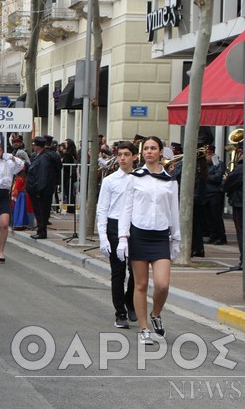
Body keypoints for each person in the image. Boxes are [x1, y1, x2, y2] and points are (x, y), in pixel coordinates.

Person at [117, 136, 180, 345]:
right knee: (141, 284)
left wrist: (176, 239)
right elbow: (126, 209)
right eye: (146, 149)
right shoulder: (134, 178)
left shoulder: (170, 180)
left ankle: (156, 313)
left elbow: (174, 211)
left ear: (161, 152)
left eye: (154, 148)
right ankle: (144, 328)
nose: (149, 152)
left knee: (162, 285)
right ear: (142, 153)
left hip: (160, 236)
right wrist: (122, 238)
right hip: (139, 235)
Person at [96, 141, 138, 329]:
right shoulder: (110, 180)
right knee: (118, 273)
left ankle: (130, 301)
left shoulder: (140, 178)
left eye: (127, 154)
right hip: (114, 227)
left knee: (136, 272)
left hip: (135, 227)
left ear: (134, 157)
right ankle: (120, 312)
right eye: (120, 154)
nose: (122, 158)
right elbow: (102, 209)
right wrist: (103, 236)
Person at [26, 137, 54, 240]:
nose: (33, 147)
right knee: (39, 212)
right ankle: (40, 230)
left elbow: (41, 176)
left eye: (34, 145)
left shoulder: (42, 158)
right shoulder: (39, 156)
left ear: (37, 146)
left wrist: (38, 190)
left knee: (41, 212)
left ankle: (41, 231)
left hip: (39, 191)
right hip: (37, 190)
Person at [204, 146, 227, 245]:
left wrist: (206, 177)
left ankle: (221, 236)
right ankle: (213, 235)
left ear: (211, 153)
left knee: (216, 216)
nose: (205, 157)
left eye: (207, 155)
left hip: (215, 193)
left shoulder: (218, 164)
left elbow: (218, 177)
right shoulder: (206, 164)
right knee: (208, 217)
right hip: (206, 193)